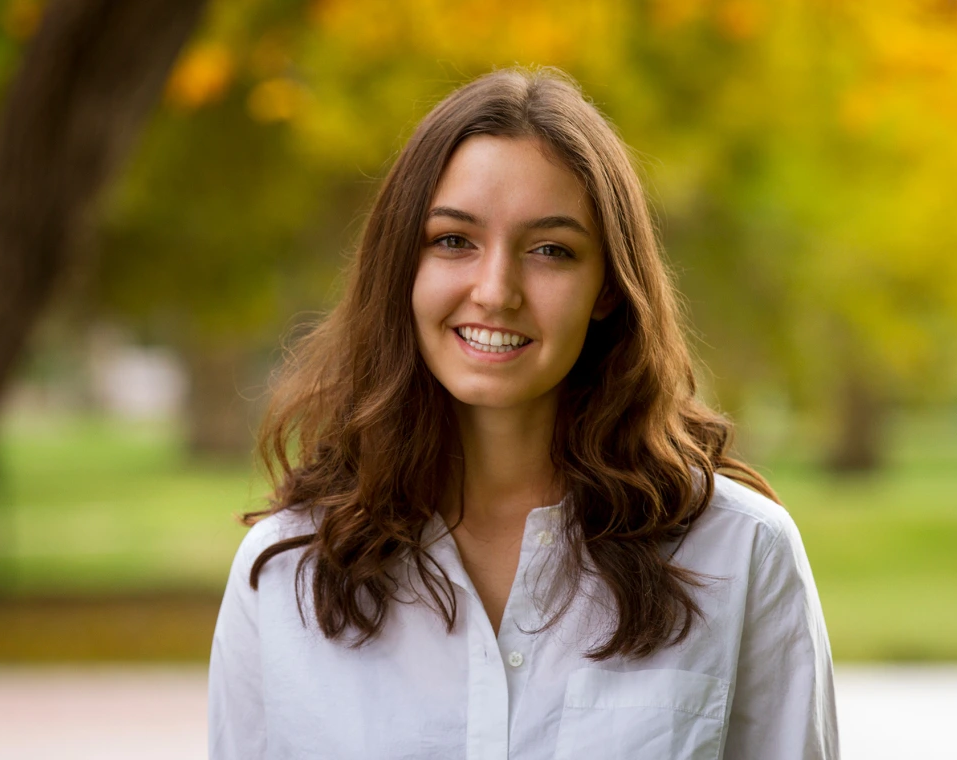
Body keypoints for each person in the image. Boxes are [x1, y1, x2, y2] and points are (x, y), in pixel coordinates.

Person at [208, 66, 838, 759]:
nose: (495, 289)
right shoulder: (285, 573)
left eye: (550, 251)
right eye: (454, 240)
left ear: (607, 288)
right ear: (401, 268)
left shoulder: (741, 554)